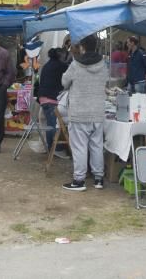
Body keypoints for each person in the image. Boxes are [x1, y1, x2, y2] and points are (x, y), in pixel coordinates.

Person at [61, 35, 109, 192]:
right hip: (97, 111)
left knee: (80, 147)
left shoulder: (75, 65)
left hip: (79, 112)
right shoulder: (103, 64)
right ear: (96, 46)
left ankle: (79, 180)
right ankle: (99, 178)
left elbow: (64, 82)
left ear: (82, 47)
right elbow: (106, 82)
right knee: (97, 146)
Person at [36, 47, 71, 157]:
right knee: (53, 125)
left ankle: (51, 148)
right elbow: (70, 78)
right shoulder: (61, 66)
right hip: (51, 98)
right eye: (65, 56)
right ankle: (55, 148)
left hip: (43, 98)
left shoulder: (47, 65)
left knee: (50, 124)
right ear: (60, 56)